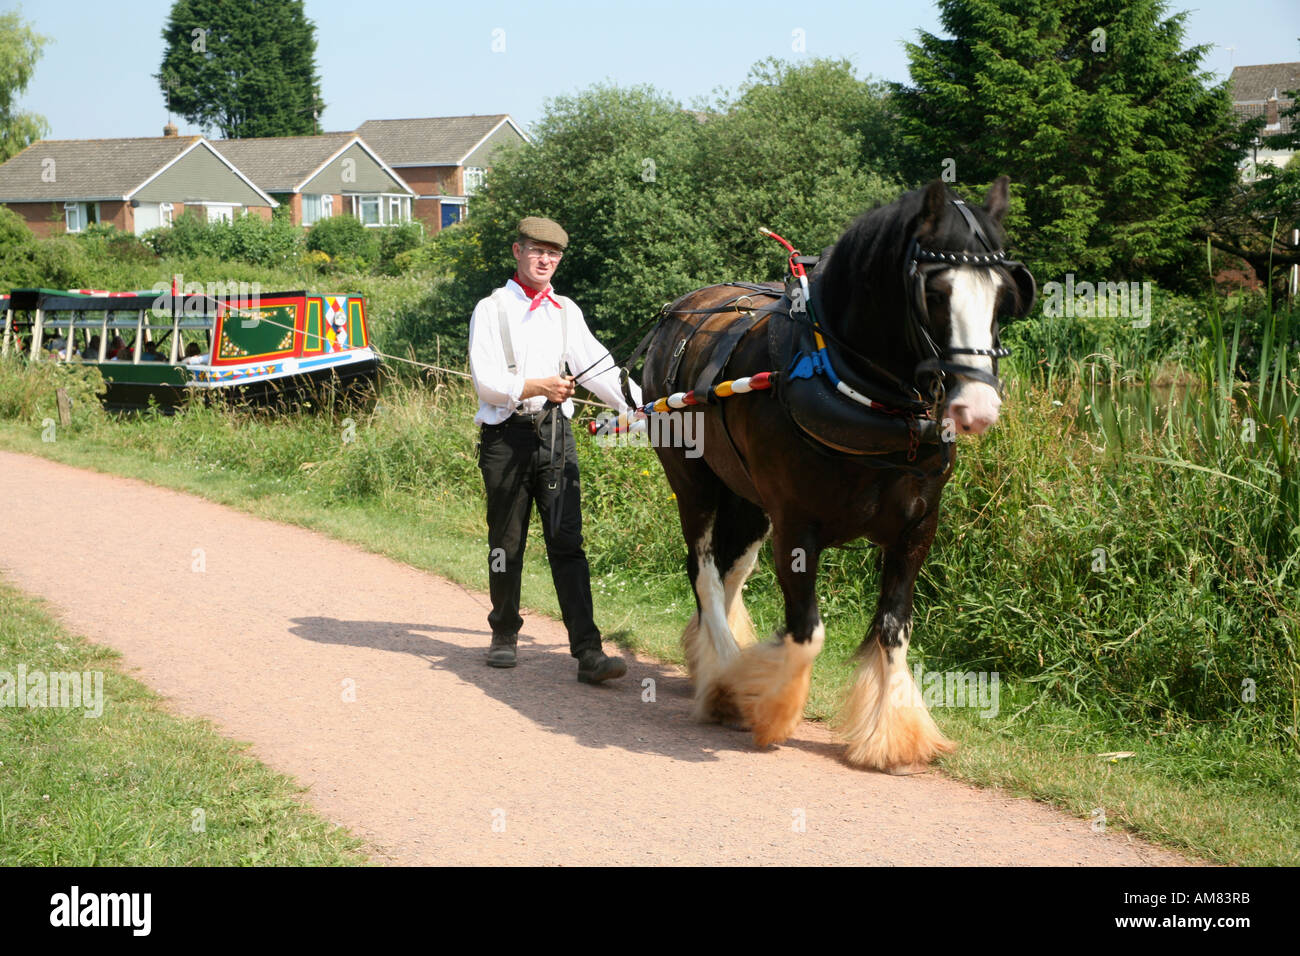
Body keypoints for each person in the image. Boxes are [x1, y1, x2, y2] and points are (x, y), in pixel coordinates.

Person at [468, 216, 642, 682]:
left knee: (568, 543)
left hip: (555, 436)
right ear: (517, 252)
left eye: (554, 254)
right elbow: (486, 382)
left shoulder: (566, 309)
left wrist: (643, 407)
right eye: (536, 250)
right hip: (505, 437)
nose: (545, 260)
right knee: (506, 543)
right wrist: (536, 384)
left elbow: (598, 368)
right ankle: (504, 632)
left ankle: (588, 652)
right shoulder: (491, 309)